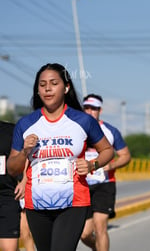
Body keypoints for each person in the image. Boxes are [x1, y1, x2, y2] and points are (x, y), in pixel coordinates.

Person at [7, 63, 114, 251]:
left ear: (66, 87)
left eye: (53, 83)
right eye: (42, 84)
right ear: (37, 90)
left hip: (73, 202)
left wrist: (91, 165)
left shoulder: (82, 120)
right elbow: (12, 168)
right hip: (36, 203)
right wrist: (25, 151)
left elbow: (107, 151)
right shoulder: (26, 124)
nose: (47, 88)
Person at [80, 94, 131, 251]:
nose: (90, 111)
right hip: (82, 185)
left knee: (100, 225)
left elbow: (126, 156)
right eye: (87, 108)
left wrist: (110, 166)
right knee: (84, 233)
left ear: (100, 110)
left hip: (104, 184)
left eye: (93, 108)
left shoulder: (110, 131)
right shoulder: (75, 130)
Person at [0, 120, 21, 251]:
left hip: (6, 196)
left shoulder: (10, 130)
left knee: (9, 248)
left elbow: (24, 157)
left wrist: (23, 181)